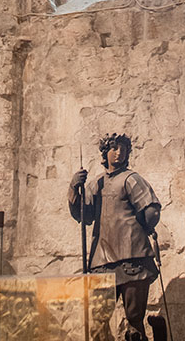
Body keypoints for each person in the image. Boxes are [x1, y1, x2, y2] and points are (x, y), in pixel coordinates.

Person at [68, 133, 161, 341]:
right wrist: (74, 188)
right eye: (114, 149)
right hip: (102, 259)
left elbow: (151, 209)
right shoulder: (95, 185)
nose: (119, 153)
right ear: (105, 153)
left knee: (134, 318)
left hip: (132, 257)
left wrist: (145, 225)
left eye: (123, 149)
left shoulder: (131, 179)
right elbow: (84, 216)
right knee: (98, 318)